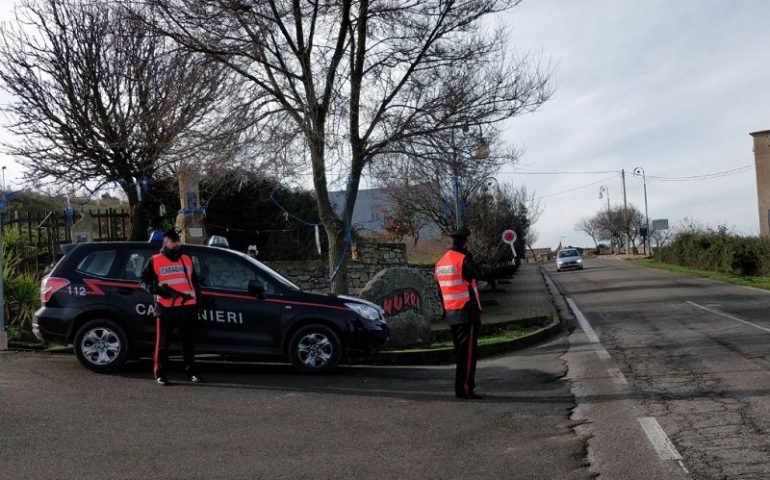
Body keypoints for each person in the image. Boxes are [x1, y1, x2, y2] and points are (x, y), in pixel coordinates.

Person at [434, 226, 514, 399]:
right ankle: (465, 389)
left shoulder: (441, 263)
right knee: (468, 355)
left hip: (451, 313)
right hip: (466, 313)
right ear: (464, 242)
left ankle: (462, 388)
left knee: (461, 354)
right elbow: (484, 273)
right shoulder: (462, 260)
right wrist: (508, 268)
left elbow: (439, 291)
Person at [140, 228, 203, 385]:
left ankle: (192, 373)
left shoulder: (186, 259)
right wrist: (157, 290)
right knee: (163, 345)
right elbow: (143, 281)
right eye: (173, 241)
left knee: (187, 344)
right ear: (165, 242)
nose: (176, 244)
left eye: (177, 241)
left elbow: (194, 282)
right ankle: (161, 374)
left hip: (186, 307)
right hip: (165, 307)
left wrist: (198, 302)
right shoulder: (155, 260)